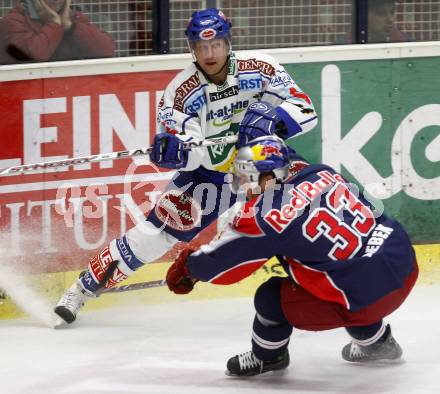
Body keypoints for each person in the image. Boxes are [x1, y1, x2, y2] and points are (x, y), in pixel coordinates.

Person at [53, 8, 318, 324]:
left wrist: (272, 118)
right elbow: (190, 151)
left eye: (216, 44)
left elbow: (306, 109)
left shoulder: (261, 68)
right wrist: (177, 152)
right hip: (210, 177)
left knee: (306, 217)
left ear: (227, 43)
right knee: (155, 234)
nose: (209, 53)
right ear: (191, 49)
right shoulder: (180, 92)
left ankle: (335, 291)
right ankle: (82, 289)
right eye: (201, 47)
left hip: (264, 165)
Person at [165, 107, 418, 376]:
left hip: (368, 297)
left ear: (267, 178)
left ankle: (268, 357)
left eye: (246, 178)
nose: (243, 187)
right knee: (340, 270)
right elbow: (287, 159)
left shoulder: (266, 218)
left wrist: (188, 270)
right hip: (401, 263)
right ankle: (378, 344)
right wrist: (259, 141)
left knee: (271, 297)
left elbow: (221, 265)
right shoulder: (321, 172)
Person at [0, 0, 114, 65]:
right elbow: (32, 57)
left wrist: (70, 27)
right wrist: (54, 24)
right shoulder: (14, 20)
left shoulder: (72, 17)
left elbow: (106, 49)